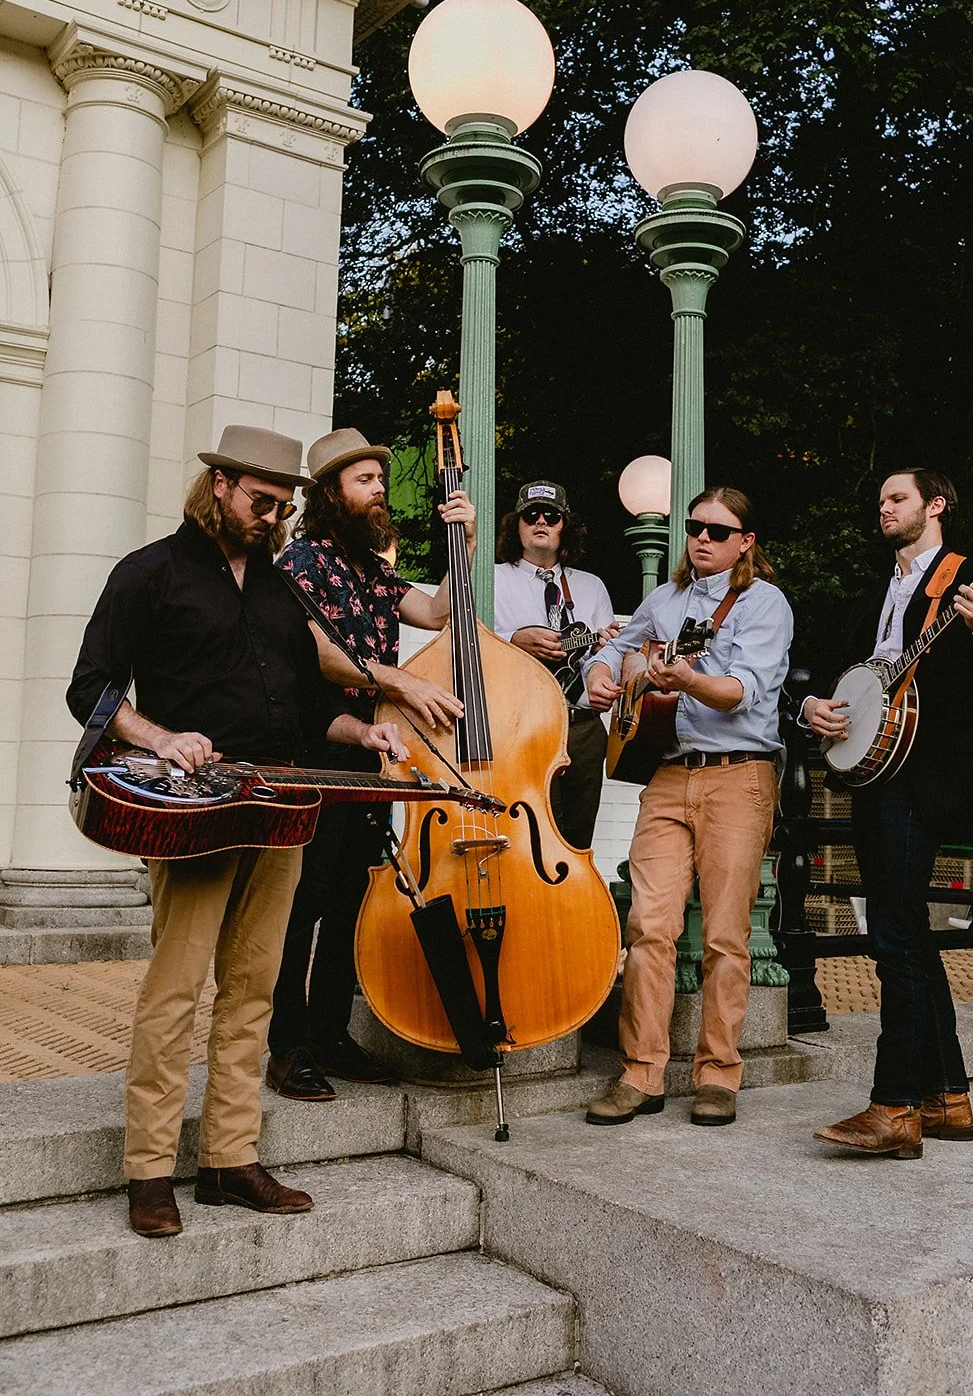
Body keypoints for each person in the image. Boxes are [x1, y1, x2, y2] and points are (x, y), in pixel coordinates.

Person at [67, 426, 406, 1238]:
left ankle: (229, 1158)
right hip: (195, 809)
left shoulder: (282, 591)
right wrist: (160, 739)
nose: (272, 518)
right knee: (176, 990)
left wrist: (364, 735)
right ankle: (149, 1171)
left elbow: (307, 704)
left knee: (254, 988)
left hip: (279, 800)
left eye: (284, 508)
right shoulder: (149, 572)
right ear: (219, 486)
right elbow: (91, 689)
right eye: (261, 502)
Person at [805, 469, 973, 1159]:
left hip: (921, 780)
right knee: (904, 937)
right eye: (879, 502)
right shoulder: (875, 594)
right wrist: (816, 710)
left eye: (895, 499)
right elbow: (840, 678)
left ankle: (893, 1105)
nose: (883, 509)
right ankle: (945, 1098)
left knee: (895, 940)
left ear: (933, 507)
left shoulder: (963, 584)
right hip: (875, 773)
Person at [266, 427, 476, 1101]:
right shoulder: (302, 562)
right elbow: (322, 655)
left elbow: (440, 612)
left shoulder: (374, 569)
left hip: (371, 750)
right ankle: (286, 1043)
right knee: (305, 899)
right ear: (330, 493)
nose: (379, 490)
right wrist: (402, 683)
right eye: (364, 481)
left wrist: (463, 542)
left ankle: (330, 1033)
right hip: (317, 744)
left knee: (352, 895)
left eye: (381, 480)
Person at [583, 487, 792, 1127]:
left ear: (745, 543)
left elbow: (739, 692)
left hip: (739, 776)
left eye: (719, 532)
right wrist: (601, 670)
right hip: (668, 775)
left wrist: (688, 680)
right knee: (649, 925)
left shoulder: (764, 604)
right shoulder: (667, 599)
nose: (702, 539)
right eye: (695, 527)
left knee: (726, 935)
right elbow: (620, 644)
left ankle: (718, 1074)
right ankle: (641, 1073)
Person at [494, 480, 618, 850]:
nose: (541, 521)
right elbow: (464, 643)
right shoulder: (490, 580)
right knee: (531, 839)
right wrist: (513, 640)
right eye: (530, 515)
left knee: (578, 843)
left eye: (552, 515)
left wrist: (604, 670)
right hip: (521, 726)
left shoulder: (591, 586)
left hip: (582, 728)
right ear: (516, 524)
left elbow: (606, 657)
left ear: (566, 525)